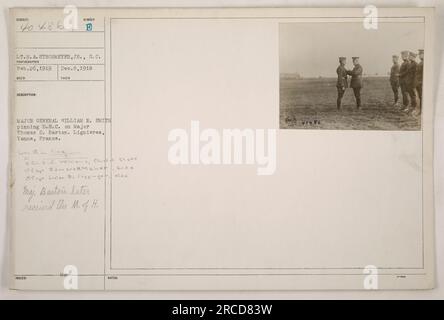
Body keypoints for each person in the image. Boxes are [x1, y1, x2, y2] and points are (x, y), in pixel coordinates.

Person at [415, 49, 424, 115]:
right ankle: (421, 111)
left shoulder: (425, 63)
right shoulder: (421, 62)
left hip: (421, 83)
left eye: (421, 54)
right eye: (419, 54)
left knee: (422, 97)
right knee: (420, 97)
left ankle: (422, 111)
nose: (420, 55)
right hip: (418, 83)